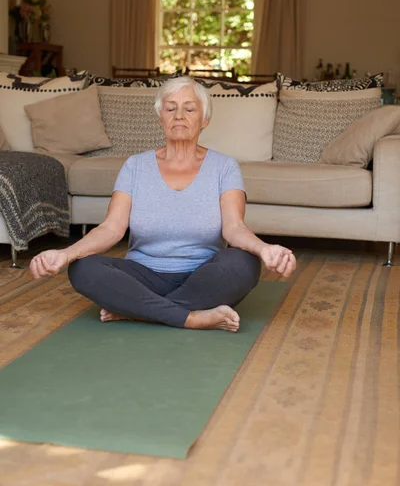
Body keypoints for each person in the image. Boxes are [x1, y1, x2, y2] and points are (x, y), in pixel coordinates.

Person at [30, 76, 296, 332]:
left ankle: (138, 310)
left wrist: (264, 249)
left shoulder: (225, 167)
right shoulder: (135, 166)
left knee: (244, 263)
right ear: (160, 118)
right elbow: (111, 228)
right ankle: (191, 317)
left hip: (203, 275)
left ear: (205, 119)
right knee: (83, 268)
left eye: (189, 109)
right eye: (171, 108)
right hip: (144, 276)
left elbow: (234, 228)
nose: (179, 115)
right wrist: (65, 254)